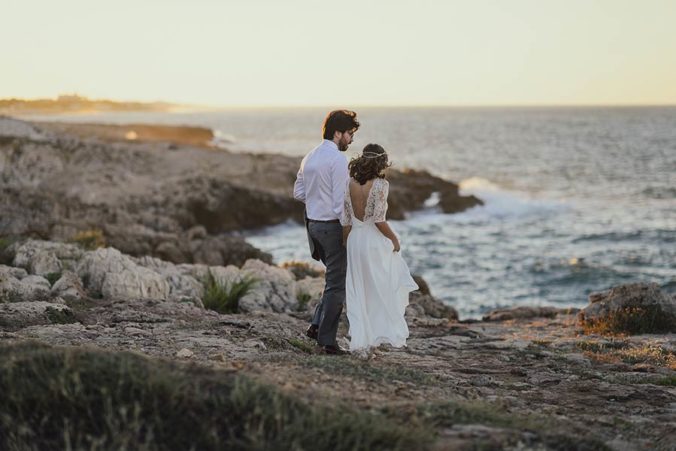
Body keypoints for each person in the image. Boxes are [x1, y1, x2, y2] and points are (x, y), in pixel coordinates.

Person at [293, 110, 359, 355]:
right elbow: (340, 202)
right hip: (331, 226)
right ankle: (327, 341)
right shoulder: (338, 160)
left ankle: (316, 326)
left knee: (332, 279)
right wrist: (347, 230)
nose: (351, 140)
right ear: (338, 133)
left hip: (312, 225)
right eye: (350, 134)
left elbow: (298, 193)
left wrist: (316, 201)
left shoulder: (309, 156)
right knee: (337, 284)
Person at [340, 143, 418, 353]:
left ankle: (363, 340)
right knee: (379, 289)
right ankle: (374, 337)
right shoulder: (381, 185)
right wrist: (394, 240)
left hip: (355, 241)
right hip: (372, 242)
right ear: (380, 162)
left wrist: (345, 244)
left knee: (360, 291)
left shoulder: (349, 183)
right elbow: (378, 220)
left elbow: (346, 220)